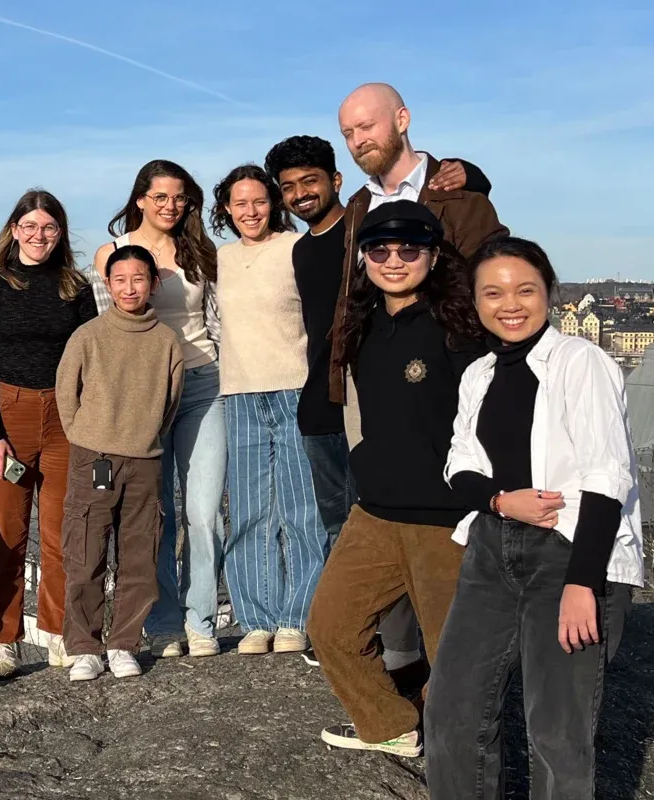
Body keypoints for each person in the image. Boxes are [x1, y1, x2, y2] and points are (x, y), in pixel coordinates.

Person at [427, 237, 643, 800]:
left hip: (571, 553)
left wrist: (582, 582)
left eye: (525, 290)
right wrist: (500, 499)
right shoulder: (480, 372)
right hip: (493, 549)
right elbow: (459, 464)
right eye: (493, 293)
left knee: (557, 732)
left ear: (549, 291)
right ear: (475, 302)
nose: (510, 305)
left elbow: (607, 476)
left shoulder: (581, 363)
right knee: (452, 713)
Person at [266, 135, 493, 675]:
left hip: (380, 409)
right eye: (289, 187)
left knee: (403, 538)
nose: (300, 194)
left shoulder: (366, 222)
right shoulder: (300, 249)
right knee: (346, 531)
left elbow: (421, 193)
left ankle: (404, 655)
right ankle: (375, 646)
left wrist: (474, 175)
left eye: (310, 181)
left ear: (336, 181)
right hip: (328, 401)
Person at [304, 201, 485, 758]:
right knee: (331, 627)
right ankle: (390, 723)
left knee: (454, 652)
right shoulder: (361, 324)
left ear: (433, 254)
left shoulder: (460, 325)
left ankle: (451, 743)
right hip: (375, 510)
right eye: (379, 250)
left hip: (444, 518)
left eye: (410, 249)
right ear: (363, 258)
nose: (394, 260)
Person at [92, 160, 224, 659]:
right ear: (141, 198)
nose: (171, 206)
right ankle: (164, 621)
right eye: (161, 196)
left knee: (203, 511)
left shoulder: (198, 252)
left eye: (180, 197)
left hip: (203, 383)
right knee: (155, 514)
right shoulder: (113, 254)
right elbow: (112, 333)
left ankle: (202, 620)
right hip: (145, 393)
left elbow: (214, 320)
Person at [0, 189, 97, 677]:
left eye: (48, 228)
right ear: (14, 230)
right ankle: (3, 639)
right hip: (11, 411)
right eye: (30, 227)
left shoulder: (75, 287)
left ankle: (59, 634)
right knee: (4, 532)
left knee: (63, 533)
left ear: (60, 233)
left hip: (66, 417)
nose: (38, 236)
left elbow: (91, 358)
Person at [327, 82, 508, 407]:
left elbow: (495, 290)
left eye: (367, 126)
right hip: (376, 382)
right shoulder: (358, 206)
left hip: (453, 385)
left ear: (402, 119)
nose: (358, 141)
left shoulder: (462, 198)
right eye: (348, 133)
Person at [210, 164, 329, 656]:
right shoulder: (220, 258)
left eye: (259, 201)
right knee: (250, 511)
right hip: (239, 390)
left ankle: (297, 616)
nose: (250, 211)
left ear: (273, 203)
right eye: (240, 204)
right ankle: (256, 617)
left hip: (296, 386)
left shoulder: (296, 247)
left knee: (302, 509)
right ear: (227, 210)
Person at [56, 244, 184, 681]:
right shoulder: (88, 335)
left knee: (139, 556)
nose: (130, 288)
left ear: (153, 283)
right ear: (107, 285)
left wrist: (145, 435)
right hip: (94, 456)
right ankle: (84, 646)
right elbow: (65, 393)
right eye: (120, 280)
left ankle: (124, 643)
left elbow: (171, 400)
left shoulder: (166, 341)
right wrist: (82, 435)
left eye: (139, 279)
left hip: (145, 458)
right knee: (85, 551)